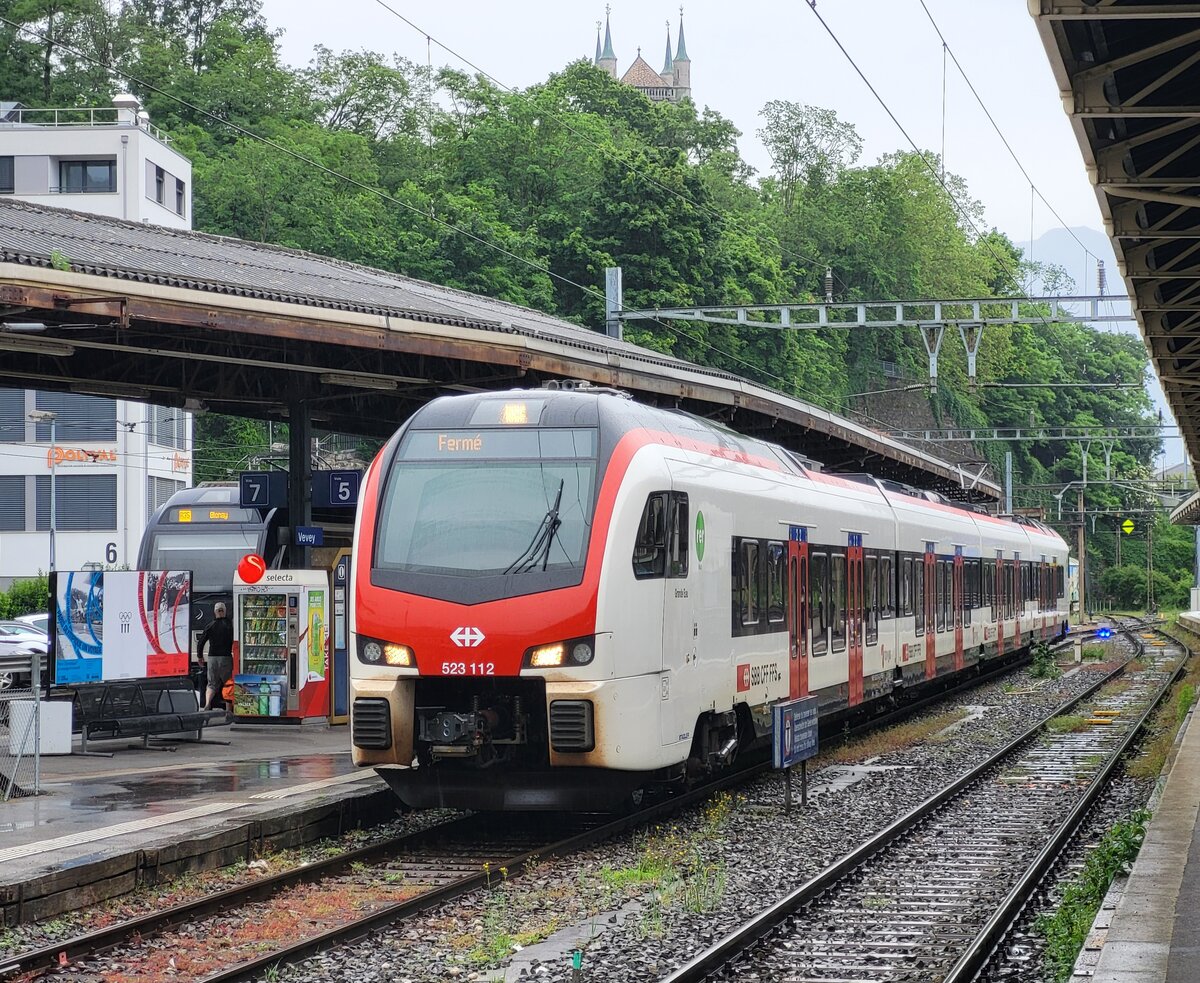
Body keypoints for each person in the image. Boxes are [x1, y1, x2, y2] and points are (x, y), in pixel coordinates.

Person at [197, 602, 234, 712]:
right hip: (225, 657)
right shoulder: (230, 625)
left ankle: (208, 703)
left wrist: (200, 656)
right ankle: (228, 710)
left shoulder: (210, 625)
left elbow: (201, 641)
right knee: (228, 683)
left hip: (212, 658)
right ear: (225, 611)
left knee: (211, 684)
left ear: (215, 612)